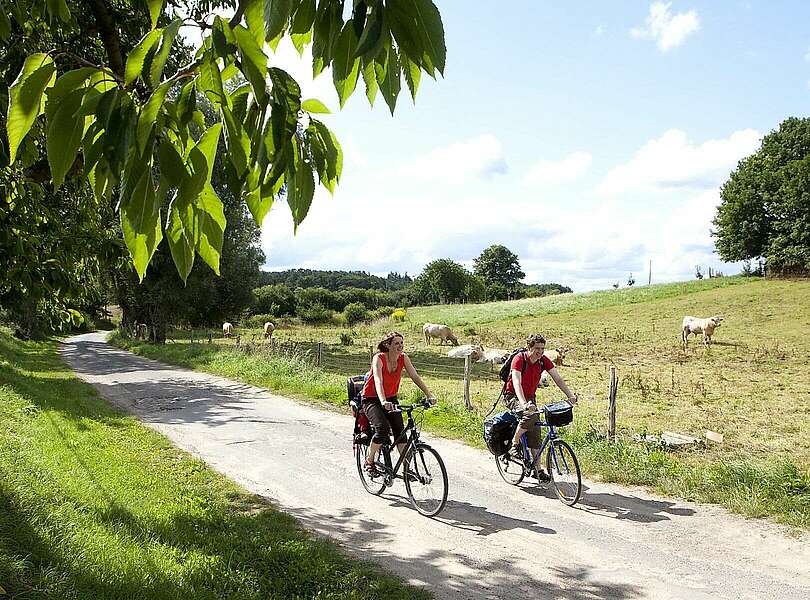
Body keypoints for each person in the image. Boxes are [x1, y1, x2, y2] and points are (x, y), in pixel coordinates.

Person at [361, 331, 436, 477]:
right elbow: (378, 380)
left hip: (391, 398)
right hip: (372, 398)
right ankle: (369, 460)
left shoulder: (403, 358)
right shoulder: (379, 358)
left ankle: (406, 469)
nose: (400, 346)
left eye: (401, 343)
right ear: (387, 345)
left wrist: (429, 394)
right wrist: (383, 401)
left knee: (400, 432)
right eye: (396, 343)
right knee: (381, 429)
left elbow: (415, 376)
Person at [504, 333, 577, 481]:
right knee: (530, 416)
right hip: (512, 395)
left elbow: (557, 378)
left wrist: (570, 395)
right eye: (537, 348)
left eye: (542, 348)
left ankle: (538, 470)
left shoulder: (543, 361)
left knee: (536, 432)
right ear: (529, 347)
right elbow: (516, 382)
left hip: (530, 397)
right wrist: (524, 404)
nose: (540, 351)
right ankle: (514, 444)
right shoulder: (519, 359)